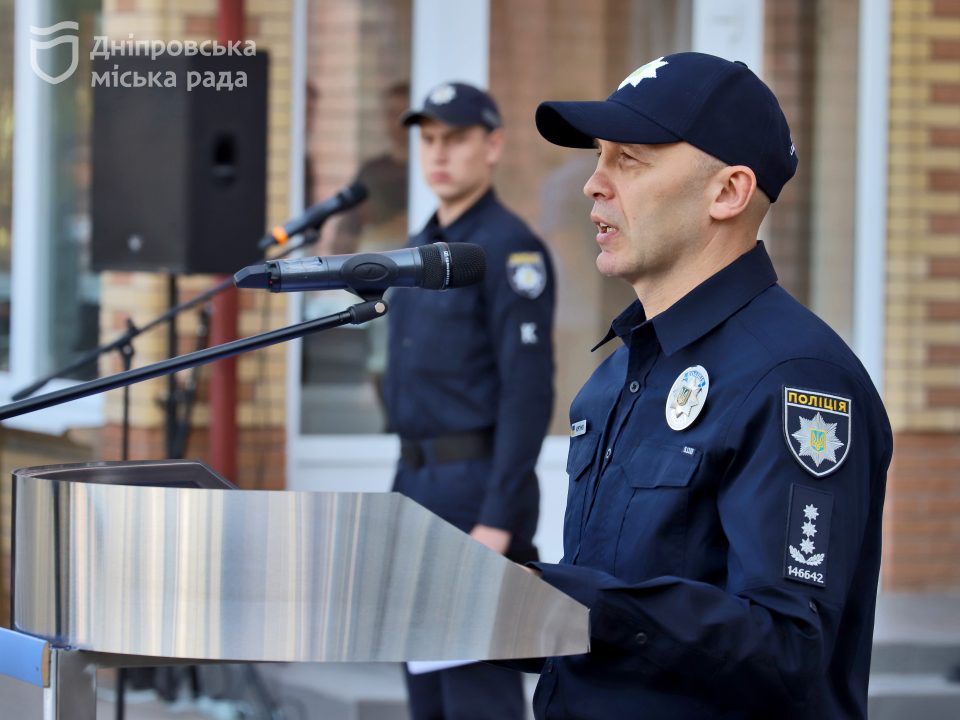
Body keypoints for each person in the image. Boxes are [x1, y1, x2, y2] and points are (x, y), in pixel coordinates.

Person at [523, 52, 892, 718]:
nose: (593, 184)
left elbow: (787, 646)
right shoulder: (617, 376)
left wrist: (564, 602)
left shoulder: (795, 380)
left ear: (727, 192)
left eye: (628, 160)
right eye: (598, 157)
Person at [383, 81, 556, 719]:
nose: (439, 154)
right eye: (428, 140)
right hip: (416, 487)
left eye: (454, 139)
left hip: (475, 494)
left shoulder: (507, 251)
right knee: (426, 697)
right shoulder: (421, 248)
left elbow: (527, 391)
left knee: (476, 697)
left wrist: (499, 519)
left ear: (492, 146)